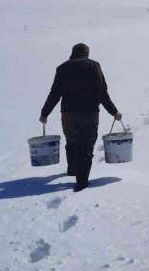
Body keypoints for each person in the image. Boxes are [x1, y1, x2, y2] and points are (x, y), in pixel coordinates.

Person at [39, 43, 122, 192]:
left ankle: (72, 171)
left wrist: (45, 113)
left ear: (73, 53)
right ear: (86, 53)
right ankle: (81, 182)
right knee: (85, 147)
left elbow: (55, 93)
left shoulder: (62, 68)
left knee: (71, 142)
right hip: (89, 114)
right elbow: (101, 92)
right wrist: (113, 111)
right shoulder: (94, 66)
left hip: (68, 114)